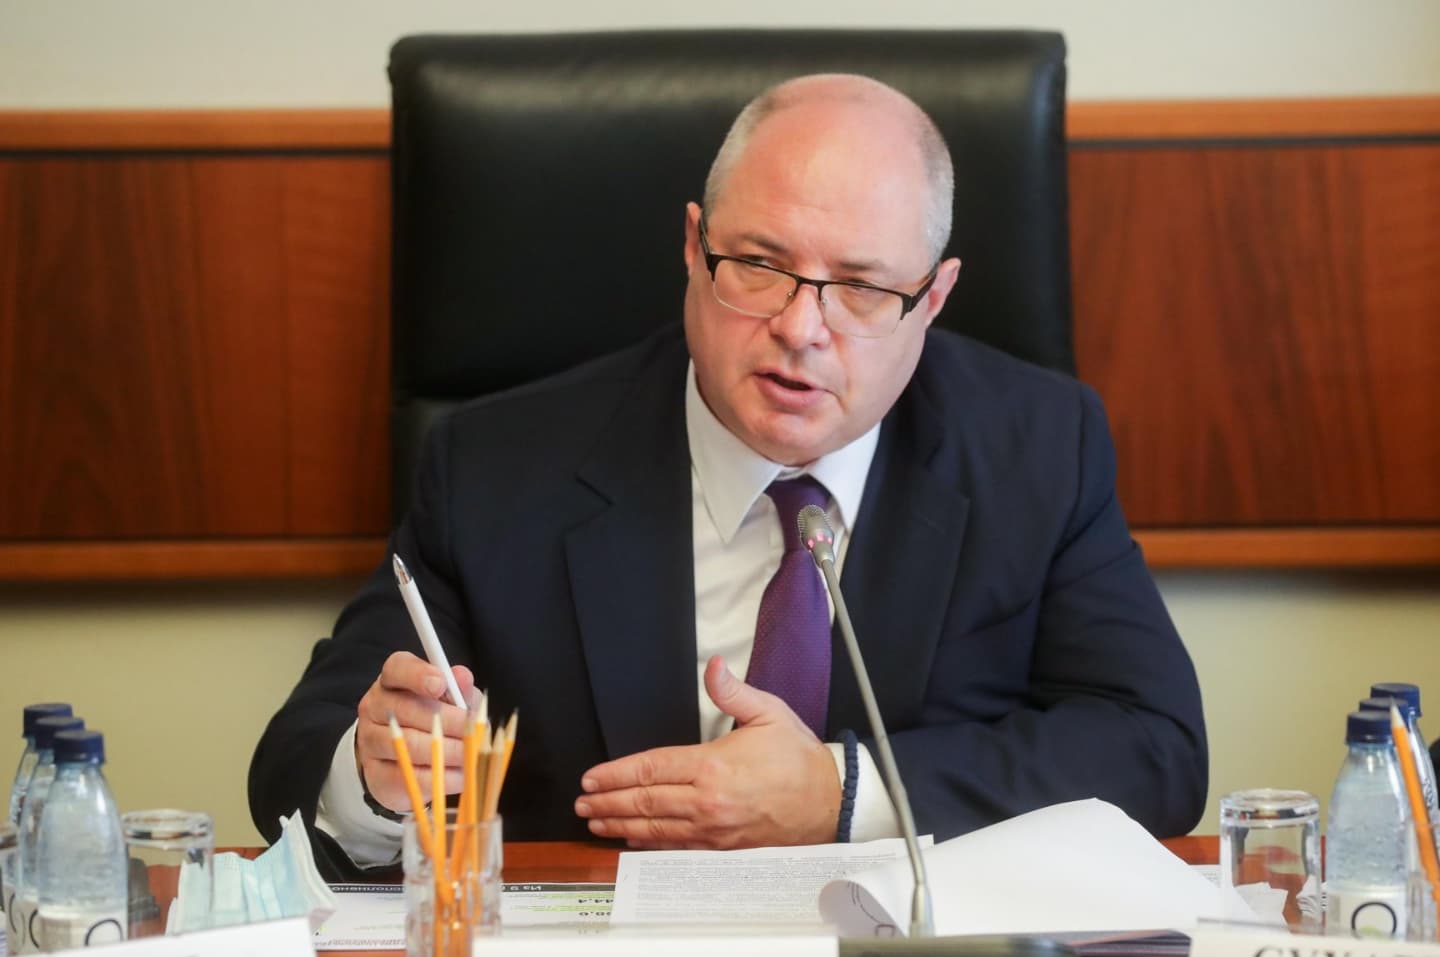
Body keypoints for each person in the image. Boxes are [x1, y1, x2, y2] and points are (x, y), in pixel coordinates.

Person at [249, 73, 1207, 877]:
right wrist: (377, 777)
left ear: (934, 297)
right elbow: (294, 762)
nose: (800, 327)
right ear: (692, 245)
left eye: (862, 287)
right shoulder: (496, 465)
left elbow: (1155, 744)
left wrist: (841, 793)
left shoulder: (1038, 447)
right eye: (758, 264)